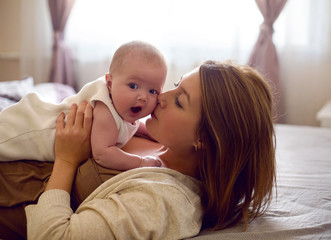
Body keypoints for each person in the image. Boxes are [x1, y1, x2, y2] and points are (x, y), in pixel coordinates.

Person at [0, 60, 276, 239]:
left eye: (180, 101)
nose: (161, 96)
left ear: (204, 138)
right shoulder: (159, 141)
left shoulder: (163, 201)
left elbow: (55, 236)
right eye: (176, 84)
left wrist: (67, 160)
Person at [0, 41, 167, 170]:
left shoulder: (123, 105)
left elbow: (134, 125)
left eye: (153, 91)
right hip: (31, 130)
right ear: (109, 83)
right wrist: (140, 162)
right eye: (133, 86)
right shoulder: (105, 110)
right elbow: (103, 154)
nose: (143, 97)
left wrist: (152, 133)